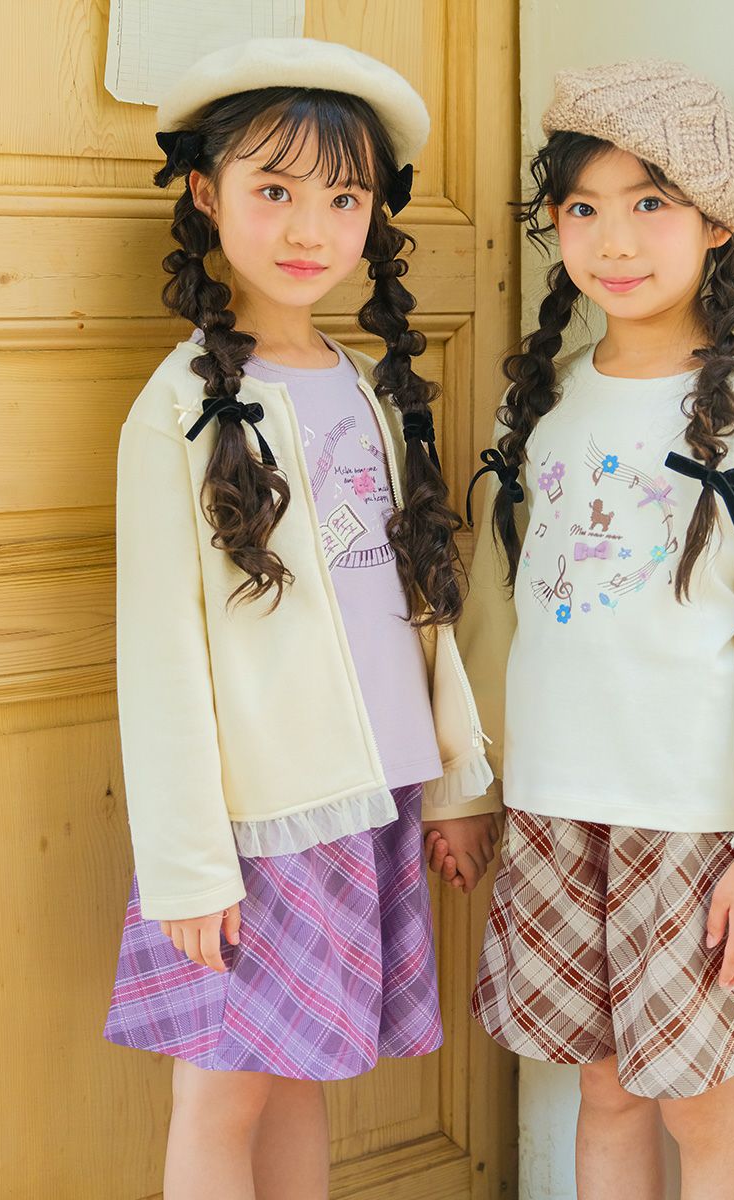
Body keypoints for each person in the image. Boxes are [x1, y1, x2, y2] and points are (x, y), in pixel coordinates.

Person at [427, 59, 734, 1200]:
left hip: (697, 827)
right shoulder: (545, 402)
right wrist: (468, 783)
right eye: (582, 208)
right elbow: (498, 611)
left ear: (715, 223)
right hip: (557, 810)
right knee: (605, 1094)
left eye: (649, 203)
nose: (613, 240)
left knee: (704, 1108)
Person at [102, 36, 498, 1199]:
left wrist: (454, 783)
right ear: (204, 193)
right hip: (255, 822)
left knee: (300, 1078)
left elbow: (415, 605)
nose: (308, 228)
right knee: (220, 1096)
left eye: (342, 198)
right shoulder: (177, 408)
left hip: (366, 801)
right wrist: (189, 867)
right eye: (273, 191)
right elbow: (161, 656)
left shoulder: (369, 388)